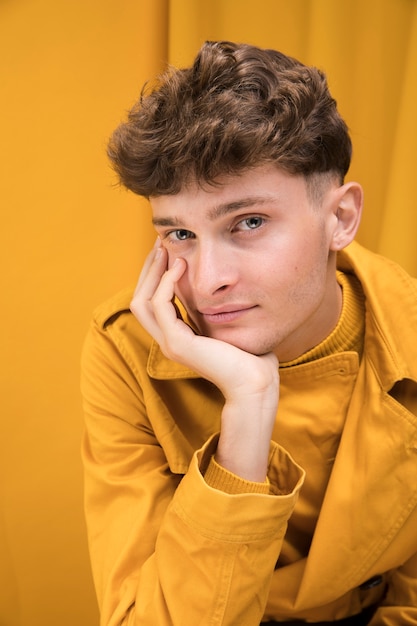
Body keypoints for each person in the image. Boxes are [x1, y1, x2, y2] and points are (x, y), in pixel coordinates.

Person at [81, 41, 417, 626]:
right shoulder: (126, 351)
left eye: (249, 223)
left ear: (340, 219)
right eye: (179, 235)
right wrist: (248, 406)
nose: (208, 281)